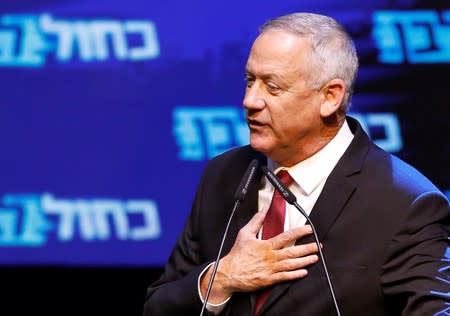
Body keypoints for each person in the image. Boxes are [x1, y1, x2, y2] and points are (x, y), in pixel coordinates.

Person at [143, 12, 450, 315]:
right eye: (250, 81)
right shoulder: (223, 174)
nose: (250, 100)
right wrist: (220, 279)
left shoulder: (405, 202)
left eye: (272, 87)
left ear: (330, 96)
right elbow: (157, 306)